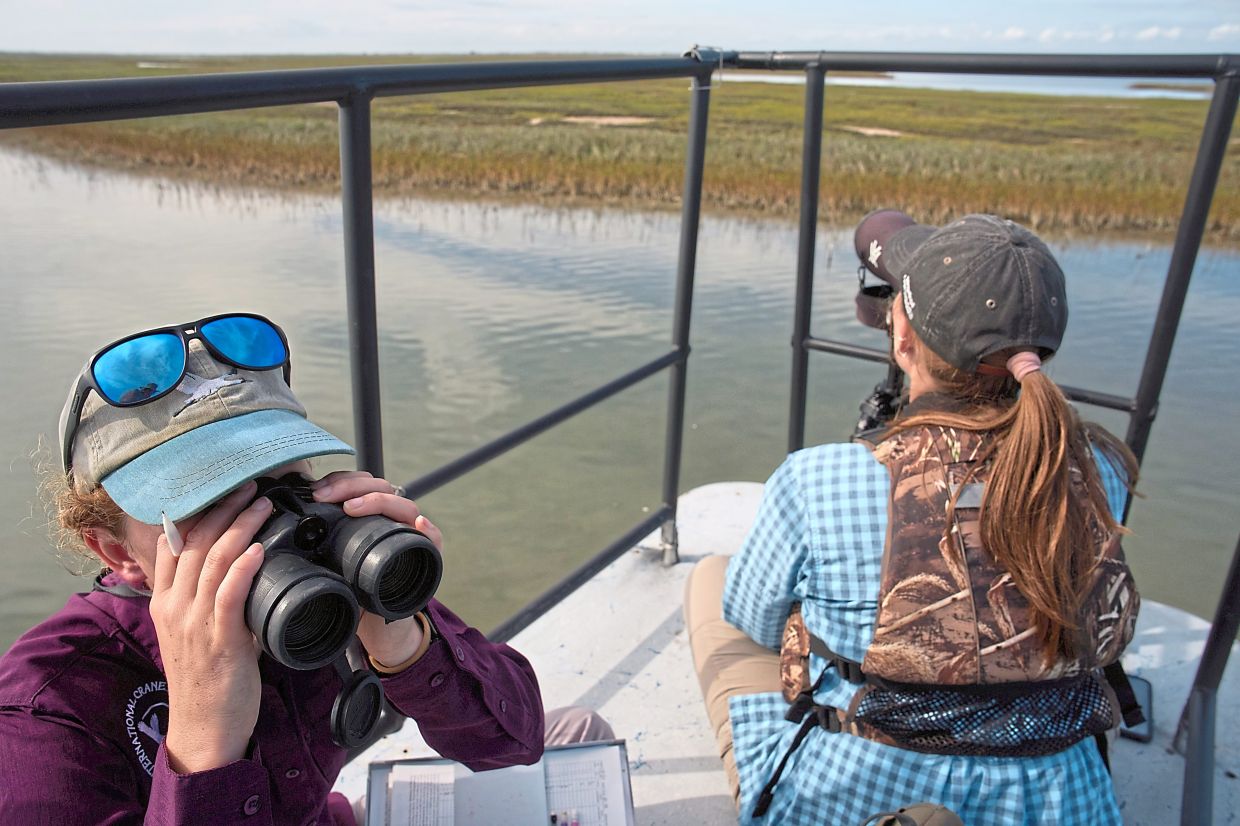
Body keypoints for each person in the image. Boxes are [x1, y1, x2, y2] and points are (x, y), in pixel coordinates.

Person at [0, 313, 606, 824]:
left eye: (283, 483)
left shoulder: (321, 575)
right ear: (118, 553)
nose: (266, 527)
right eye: (210, 506)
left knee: (580, 732)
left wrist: (398, 633)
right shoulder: (47, 710)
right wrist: (203, 734)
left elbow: (513, 741)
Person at [686, 213, 1141, 824]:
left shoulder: (818, 480)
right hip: (1058, 795)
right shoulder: (1101, 469)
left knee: (712, 580)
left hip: (858, 786)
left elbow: (755, 620)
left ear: (901, 338)